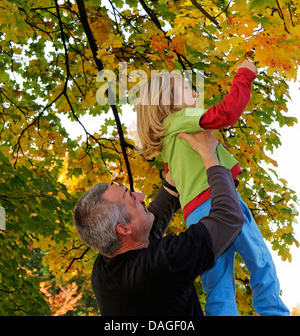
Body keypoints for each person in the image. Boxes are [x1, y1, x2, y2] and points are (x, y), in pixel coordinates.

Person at [137, 60, 289, 316]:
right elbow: (227, 113)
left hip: (195, 217)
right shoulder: (182, 117)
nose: (195, 94)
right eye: (187, 88)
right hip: (220, 201)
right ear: (168, 100)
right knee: (261, 262)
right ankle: (273, 312)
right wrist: (244, 76)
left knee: (217, 283)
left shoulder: (167, 140)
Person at [73, 130, 245, 316]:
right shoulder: (161, 265)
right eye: (130, 198)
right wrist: (211, 157)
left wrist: (175, 173)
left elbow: (147, 229)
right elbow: (228, 218)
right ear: (123, 228)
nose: (141, 196)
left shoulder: (106, 266)